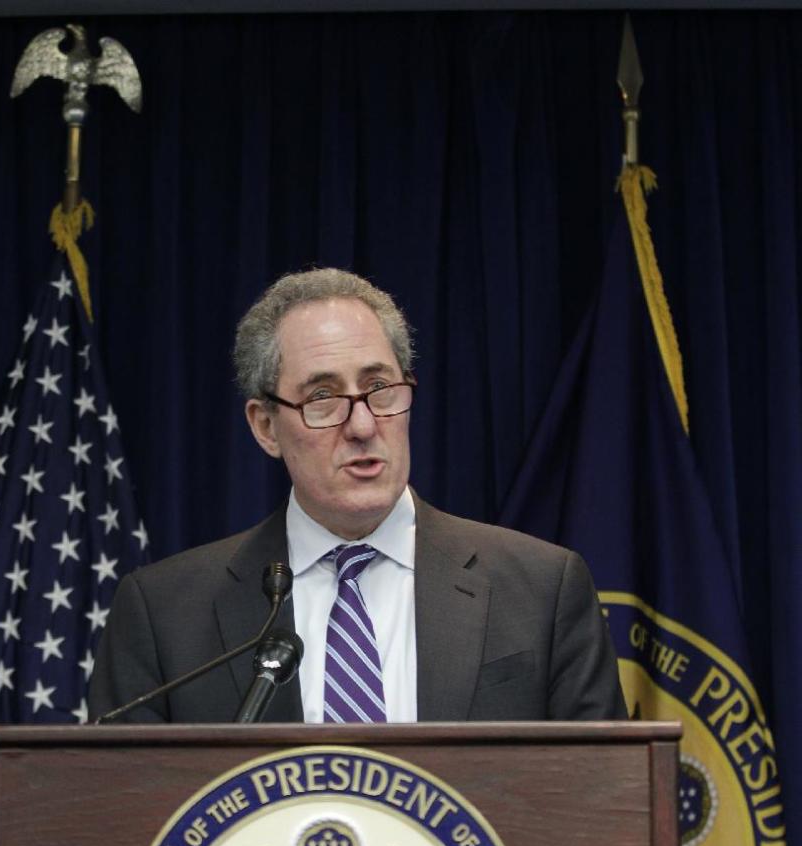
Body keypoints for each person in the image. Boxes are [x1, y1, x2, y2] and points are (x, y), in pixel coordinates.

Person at [88, 268, 625, 724]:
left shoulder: (541, 590)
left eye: (380, 388)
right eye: (322, 397)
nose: (364, 425)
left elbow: (603, 809)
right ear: (266, 427)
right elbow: (122, 820)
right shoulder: (165, 616)